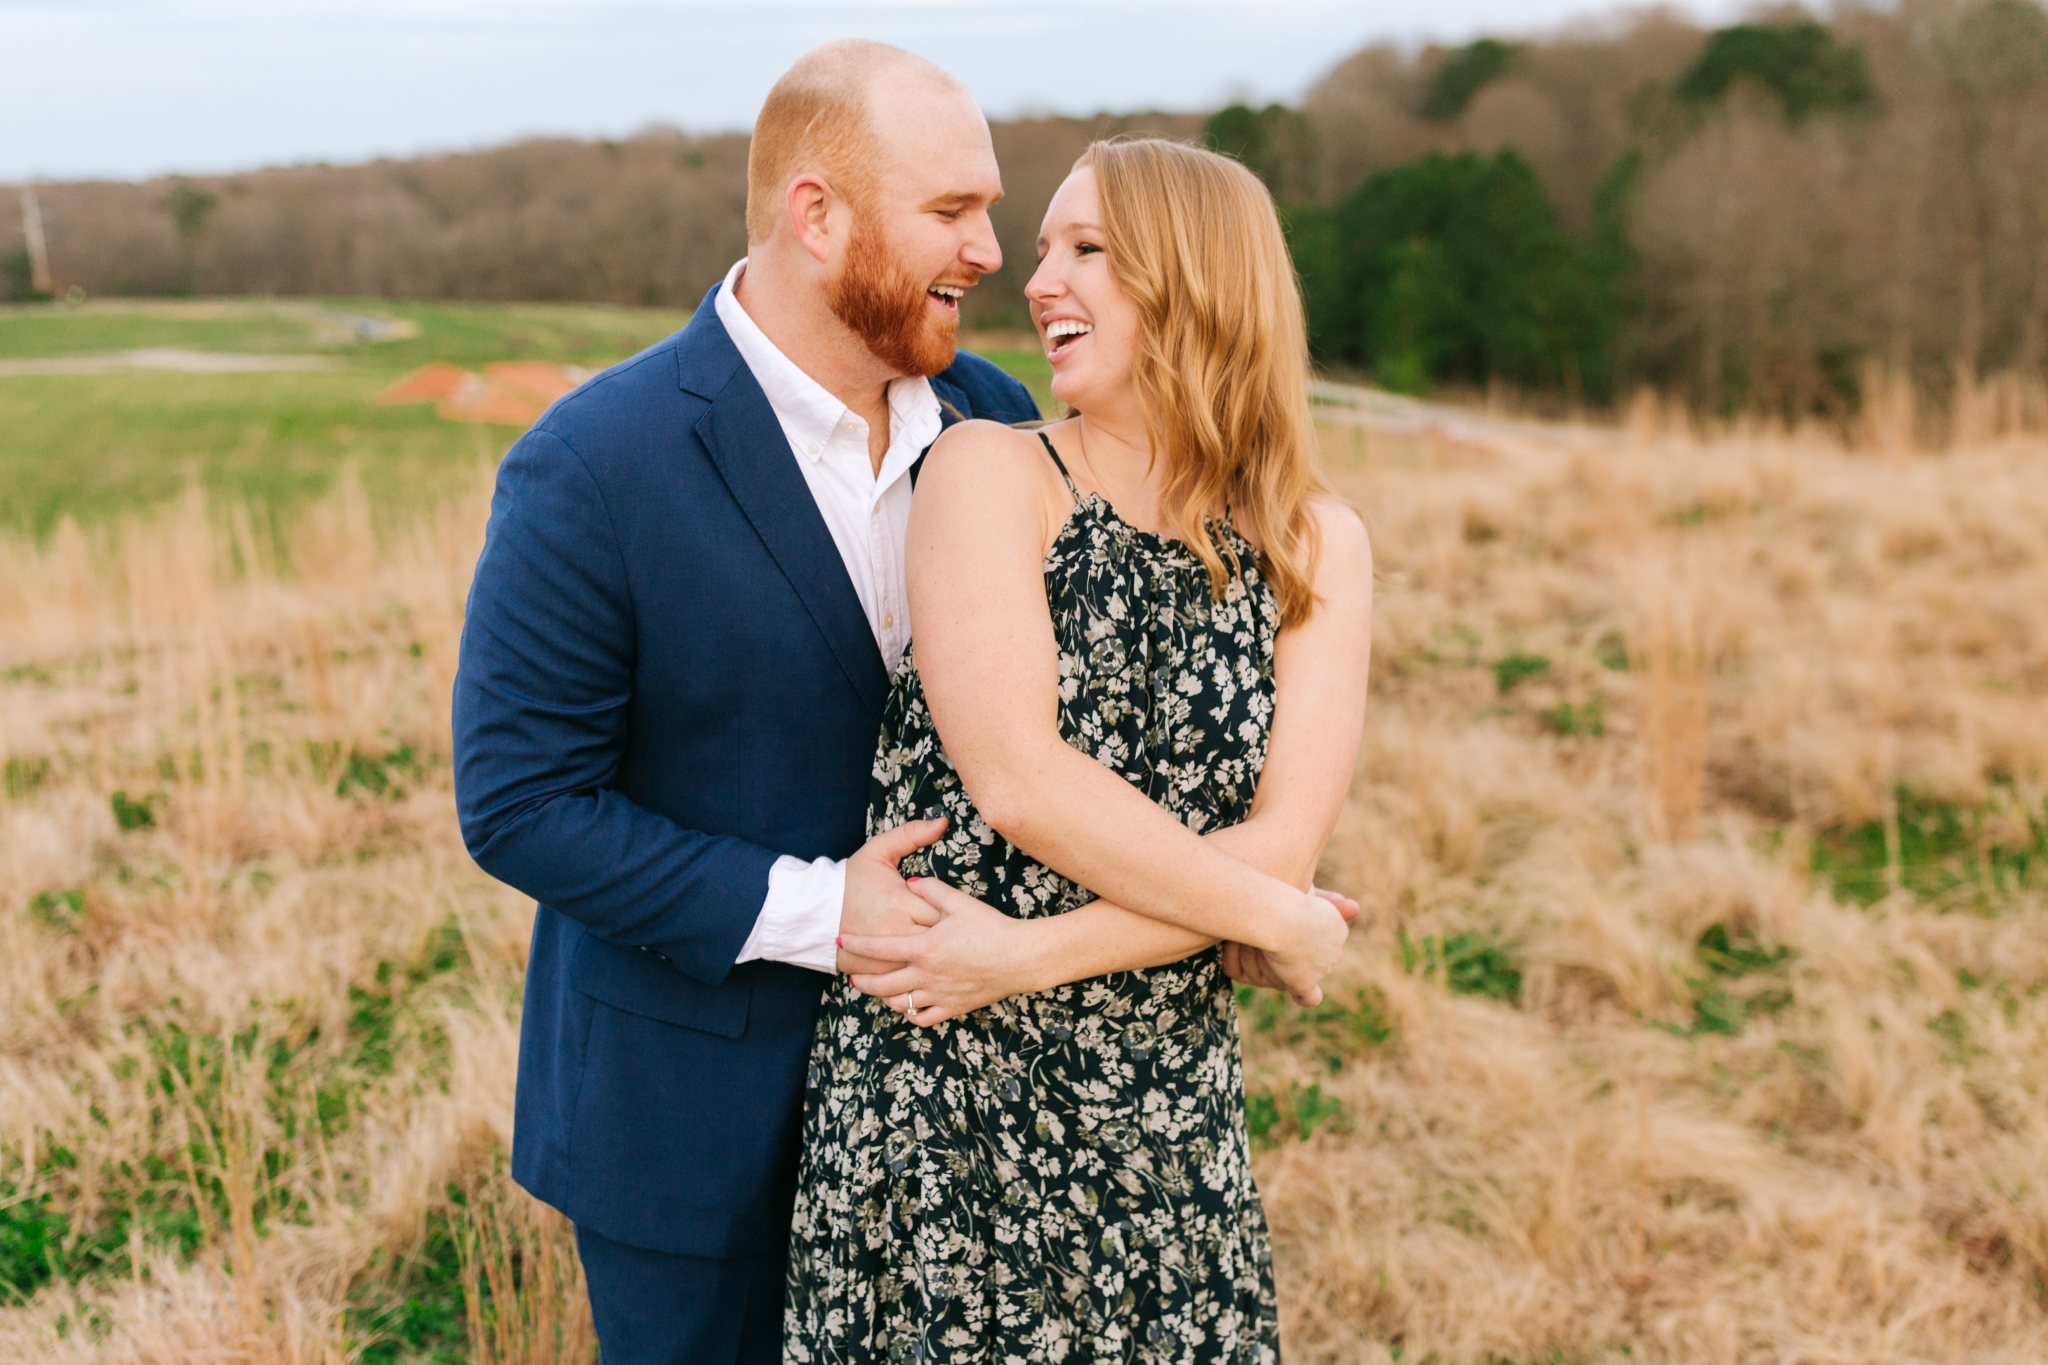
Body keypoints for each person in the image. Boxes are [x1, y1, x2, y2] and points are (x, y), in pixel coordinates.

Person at [451, 42, 1041, 1365]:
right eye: (952, 212)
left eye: (990, 210)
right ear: (816, 213)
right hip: (692, 1128)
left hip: (970, 1106)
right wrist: (831, 913)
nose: (992, 250)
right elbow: (520, 807)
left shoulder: (998, 426)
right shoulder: (594, 463)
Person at [784, 139, 1375, 1363]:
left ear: (1198, 279)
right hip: (948, 1086)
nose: (1039, 280)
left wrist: (1024, 956)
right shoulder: (989, 469)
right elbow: (1019, 779)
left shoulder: (1317, 542)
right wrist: (1276, 919)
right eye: (1045, 249)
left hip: (1158, 1097)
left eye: (1087, 250)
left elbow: (1282, 845)